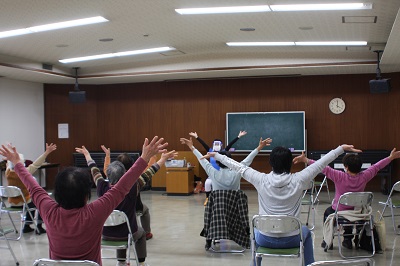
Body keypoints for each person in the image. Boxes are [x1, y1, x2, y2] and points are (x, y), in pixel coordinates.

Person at [0, 137, 167, 266]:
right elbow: (122, 187)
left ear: (56, 194)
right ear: (87, 195)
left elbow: (32, 186)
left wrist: (16, 163)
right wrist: (144, 158)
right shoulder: (95, 212)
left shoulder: (48, 210)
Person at [205, 140, 362, 266]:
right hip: (292, 238)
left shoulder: (260, 179)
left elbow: (239, 167)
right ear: (291, 163)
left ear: (271, 163)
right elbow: (322, 163)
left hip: (264, 238)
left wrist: (217, 156)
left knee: (255, 231)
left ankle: (255, 263)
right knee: (307, 232)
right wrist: (341, 148)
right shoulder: (300, 179)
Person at [76, 146, 177, 266]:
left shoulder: (101, 186)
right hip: (128, 234)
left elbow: (94, 169)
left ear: (107, 175)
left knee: (119, 230)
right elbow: (151, 171)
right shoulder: (133, 187)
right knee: (141, 233)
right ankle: (142, 263)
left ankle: (121, 262)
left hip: (105, 234)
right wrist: (163, 159)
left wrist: (87, 154)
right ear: (124, 174)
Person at [293, 148, 400, 250]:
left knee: (328, 212)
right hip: (357, 212)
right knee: (350, 212)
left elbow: (321, 167)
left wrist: (305, 160)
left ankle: (327, 240)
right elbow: (377, 166)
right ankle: (348, 239)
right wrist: (390, 158)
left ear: (346, 167)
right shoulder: (365, 176)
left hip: (339, 211)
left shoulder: (338, 176)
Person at [180, 136, 270, 250]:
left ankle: (209, 239)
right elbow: (248, 159)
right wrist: (259, 147)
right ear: (231, 161)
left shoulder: (213, 171)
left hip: (219, 214)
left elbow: (201, 159)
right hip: (235, 213)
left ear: (217, 161)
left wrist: (191, 146)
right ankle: (242, 237)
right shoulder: (238, 170)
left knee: (210, 211)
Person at [6, 142, 57, 234]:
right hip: (24, 202)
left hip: (12, 203)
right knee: (39, 202)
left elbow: (9, 163)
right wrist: (46, 152)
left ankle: (27, 226)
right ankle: (39, 227)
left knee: (31, 202)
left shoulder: (8, 172)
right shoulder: (25, 172)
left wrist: (10, 152)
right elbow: (36, 164)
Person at [188, 130, 247, 203]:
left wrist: (238, 137)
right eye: (215, 144)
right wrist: (197, 137)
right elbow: (203, 144)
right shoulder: (210, 151)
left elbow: (230, 144)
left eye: (218, 144)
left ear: (221, 145)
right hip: (213, 173)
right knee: (207, 183)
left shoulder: (224, 152)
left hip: (223, 173)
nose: (216, 145)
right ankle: (208, 198)